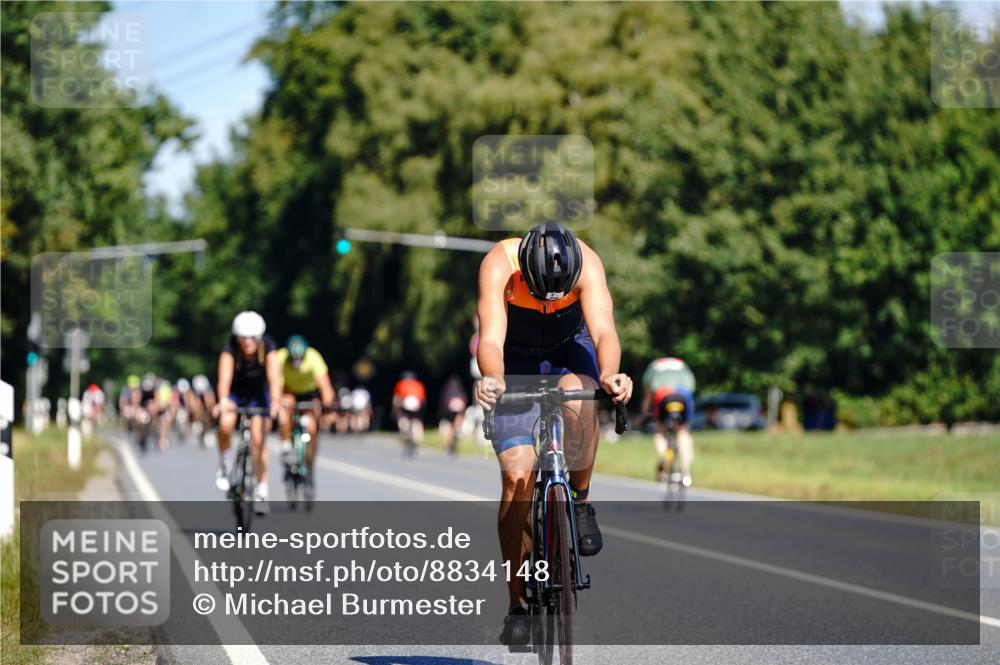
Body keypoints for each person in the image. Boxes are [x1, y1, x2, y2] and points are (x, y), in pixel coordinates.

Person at [474, 222, 632, 645]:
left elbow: (604, 332)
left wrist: (613, 374)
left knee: (580, 398)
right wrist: (492, 378)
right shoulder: (498, 265)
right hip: (513, 358)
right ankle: (516, 604)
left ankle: (580, 500)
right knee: (516, 477)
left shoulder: (588, 263)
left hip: (567, 347)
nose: (547, 299)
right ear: (523, 272)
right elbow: (489, 339)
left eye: (556, 293)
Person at [213, 311, 282, 515]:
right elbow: (224, 378)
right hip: (236, 392)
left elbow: (274, 378)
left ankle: (261, 490)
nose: (247, 342)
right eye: (243, 338)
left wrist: (276, 402)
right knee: (226, 424)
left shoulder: (269, 347)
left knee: (259, 441)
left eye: (252, 338)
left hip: (259, 394)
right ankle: (225, 464)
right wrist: (223, 401)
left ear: (259, 338)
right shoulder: (230, 347)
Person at [275, 335, 335, 485]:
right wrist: (276, 403)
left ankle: (309, 462)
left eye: (299, 359)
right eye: (293, 360)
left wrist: (327, 405)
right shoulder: (280, 357)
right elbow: (274, 384)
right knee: (285, 411)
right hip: (288, 391)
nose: (296, 363)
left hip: (309, 393)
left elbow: (326, 387)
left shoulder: (314, 358)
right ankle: (286, 447)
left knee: (312, 428)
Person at [640, 357, 696, 487]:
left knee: (660, 430)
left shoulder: (653, 366)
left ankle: (663, 456)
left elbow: (648, 394)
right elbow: (691, 388)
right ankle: (686, 472)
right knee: (683, 432)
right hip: (683, 394)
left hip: (663, 395)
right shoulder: (683, 365)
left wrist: (643, 414)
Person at [392, 371, 426, 454]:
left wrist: (395, 409)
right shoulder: (419, 384)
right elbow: (423, 399)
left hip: (405, 403)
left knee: (403, 418)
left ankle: (405, 432)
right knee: (416, 421)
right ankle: (417, 439)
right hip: (417, 404)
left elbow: (397, 398)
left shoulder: (401, 383)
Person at [439, 376, 468, 456]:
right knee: (457, 422)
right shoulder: (460, 390)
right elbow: (464, 401)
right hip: (460, 406)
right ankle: (458, 430)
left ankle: (448, 444)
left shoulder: (447, 390)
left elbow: (444, 401)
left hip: (450, 407)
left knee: (450, 426)